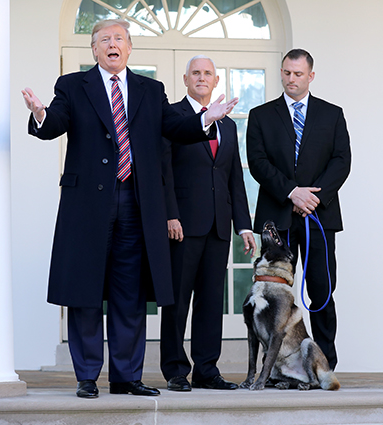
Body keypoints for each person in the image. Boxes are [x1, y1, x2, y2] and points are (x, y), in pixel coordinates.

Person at [21, 19, 237, 398]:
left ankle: (126, 377)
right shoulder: (73, 85)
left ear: (129, 48)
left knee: (130, 293)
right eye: (104, 39)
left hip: (138, 204)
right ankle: (87, 376)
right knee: (86, 291)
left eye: (119, 38)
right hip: (88, 206)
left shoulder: (150, 90)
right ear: (94, 50)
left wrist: (206, 118)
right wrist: (40, 113)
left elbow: (176, 127)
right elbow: (54, 123)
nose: (112, 44)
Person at [246, 49, 351, 370]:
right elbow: (258, 162)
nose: (292, 79)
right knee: (275, 295)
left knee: (321, 288)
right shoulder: (262, 115)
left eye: (298, 74)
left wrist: (313, 197)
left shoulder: (332, 114)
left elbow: (341, 161)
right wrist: (292, 192)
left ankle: (324, 363)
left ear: (310, 76)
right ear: (281, 72)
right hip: (277, 217)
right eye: (287, 73)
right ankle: (277, 365)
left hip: (319, 215)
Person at [160, 55, 256, 392]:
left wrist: (244, 225)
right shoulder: (171, 116)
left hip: (218, 224)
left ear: (216, 81)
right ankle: (174, 369)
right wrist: (170, 214)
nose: (202, 78)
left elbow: (233, 178)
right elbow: (164, 172)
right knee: (177, 300)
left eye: (208, 74)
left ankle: (206, 369)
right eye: (195, 73)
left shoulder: (228, 125)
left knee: (211, 300)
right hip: (182, 224)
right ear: (185, 79)